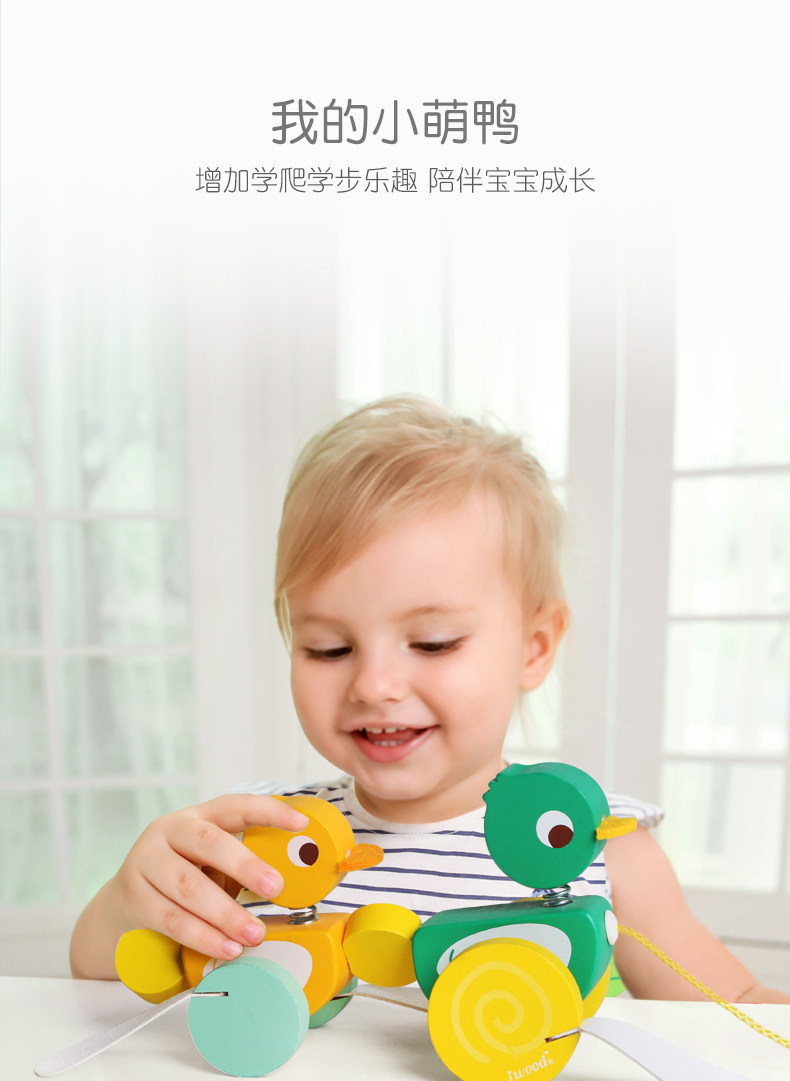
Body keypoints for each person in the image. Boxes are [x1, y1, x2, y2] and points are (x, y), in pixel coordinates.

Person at [70, 397, 790, 1004]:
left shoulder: (595, 850)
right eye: (329, 647)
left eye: (433, 642)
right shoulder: (261, 846)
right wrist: (131, 900)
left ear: (534, 647)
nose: (374, 684)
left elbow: (737, 1012)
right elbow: (95, 976)